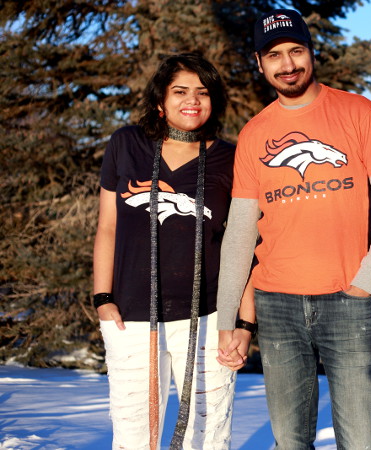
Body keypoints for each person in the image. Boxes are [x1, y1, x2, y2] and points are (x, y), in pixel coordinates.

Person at [216, 9, 371, 449]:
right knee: (290, 442)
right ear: (260, 62)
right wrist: (230, 318)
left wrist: (364, 284)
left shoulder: (359, 113)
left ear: (311, 52)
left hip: (349, 303)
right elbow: (240, 234)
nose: (288, 64)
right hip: (277, 307)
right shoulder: (254, 135)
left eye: (296, 51)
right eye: (275, 56)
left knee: (361, 441)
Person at [93, 52, 254, 449]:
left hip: (209, 319)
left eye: (202, 92)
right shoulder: (126, 144)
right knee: (134, 437)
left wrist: (245, 323)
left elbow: (244, 247)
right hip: (129, 319)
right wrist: (102, 299)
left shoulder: (230, 158)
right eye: (180, 91)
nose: (192, 100)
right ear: (160, 101)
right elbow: (107, 227)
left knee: (208, 436)